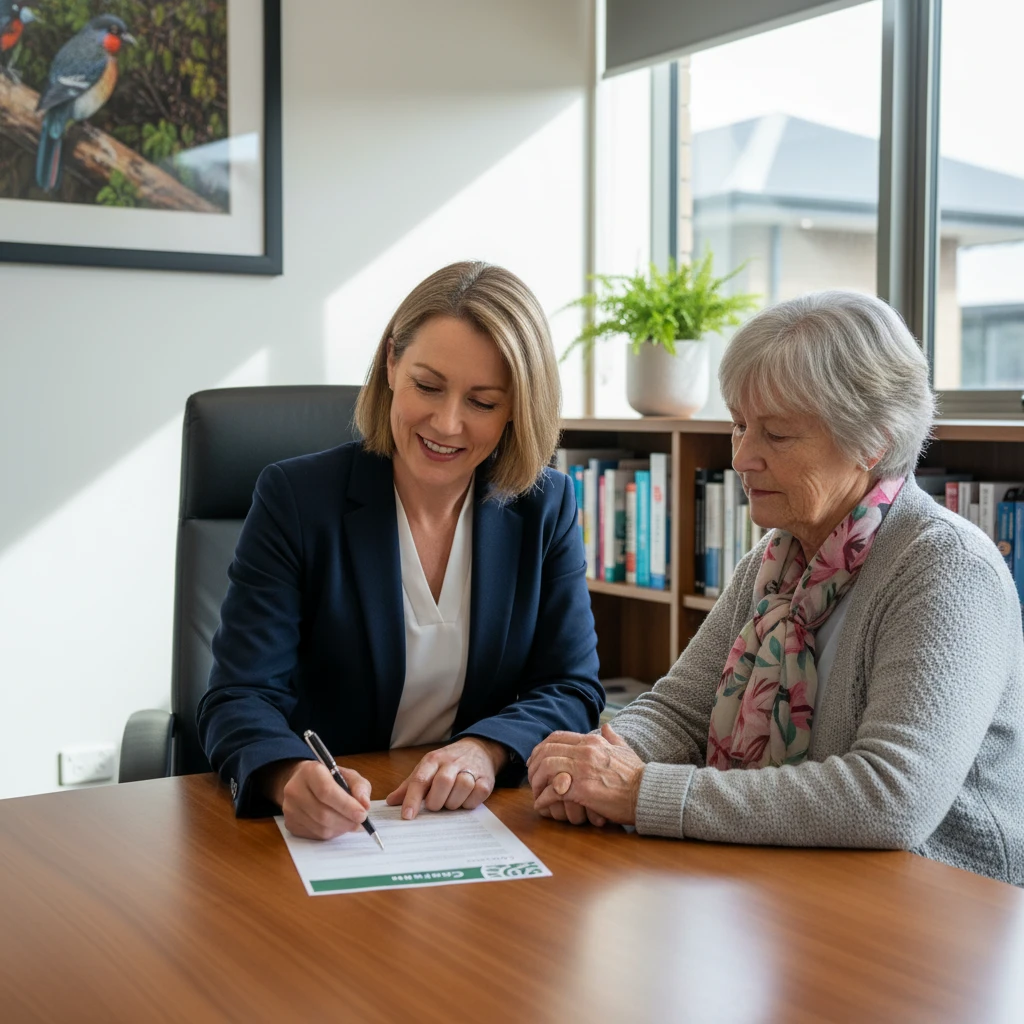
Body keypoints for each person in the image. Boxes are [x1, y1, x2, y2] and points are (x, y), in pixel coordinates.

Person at [528, 290, 1024, 886]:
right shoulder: (777, 558)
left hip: (944, 900)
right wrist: (597, 761)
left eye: (777, 436)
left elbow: (891, 797)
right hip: (802, 880)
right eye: (739, 426)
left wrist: (641, 792)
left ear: (874, 441)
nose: (741, 458)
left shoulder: (946, 568)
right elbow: (680, 712)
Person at [198, 261, 602, 839]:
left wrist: (485, 750)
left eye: (483, 402)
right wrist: (287, 775)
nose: (447, 422)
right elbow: (238, 694)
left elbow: (572, 686)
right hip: (338, 831)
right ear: (391, 364)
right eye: (428, 386)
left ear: (517, 408)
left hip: (463, 828)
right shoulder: (295, 498)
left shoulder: (546, 505)